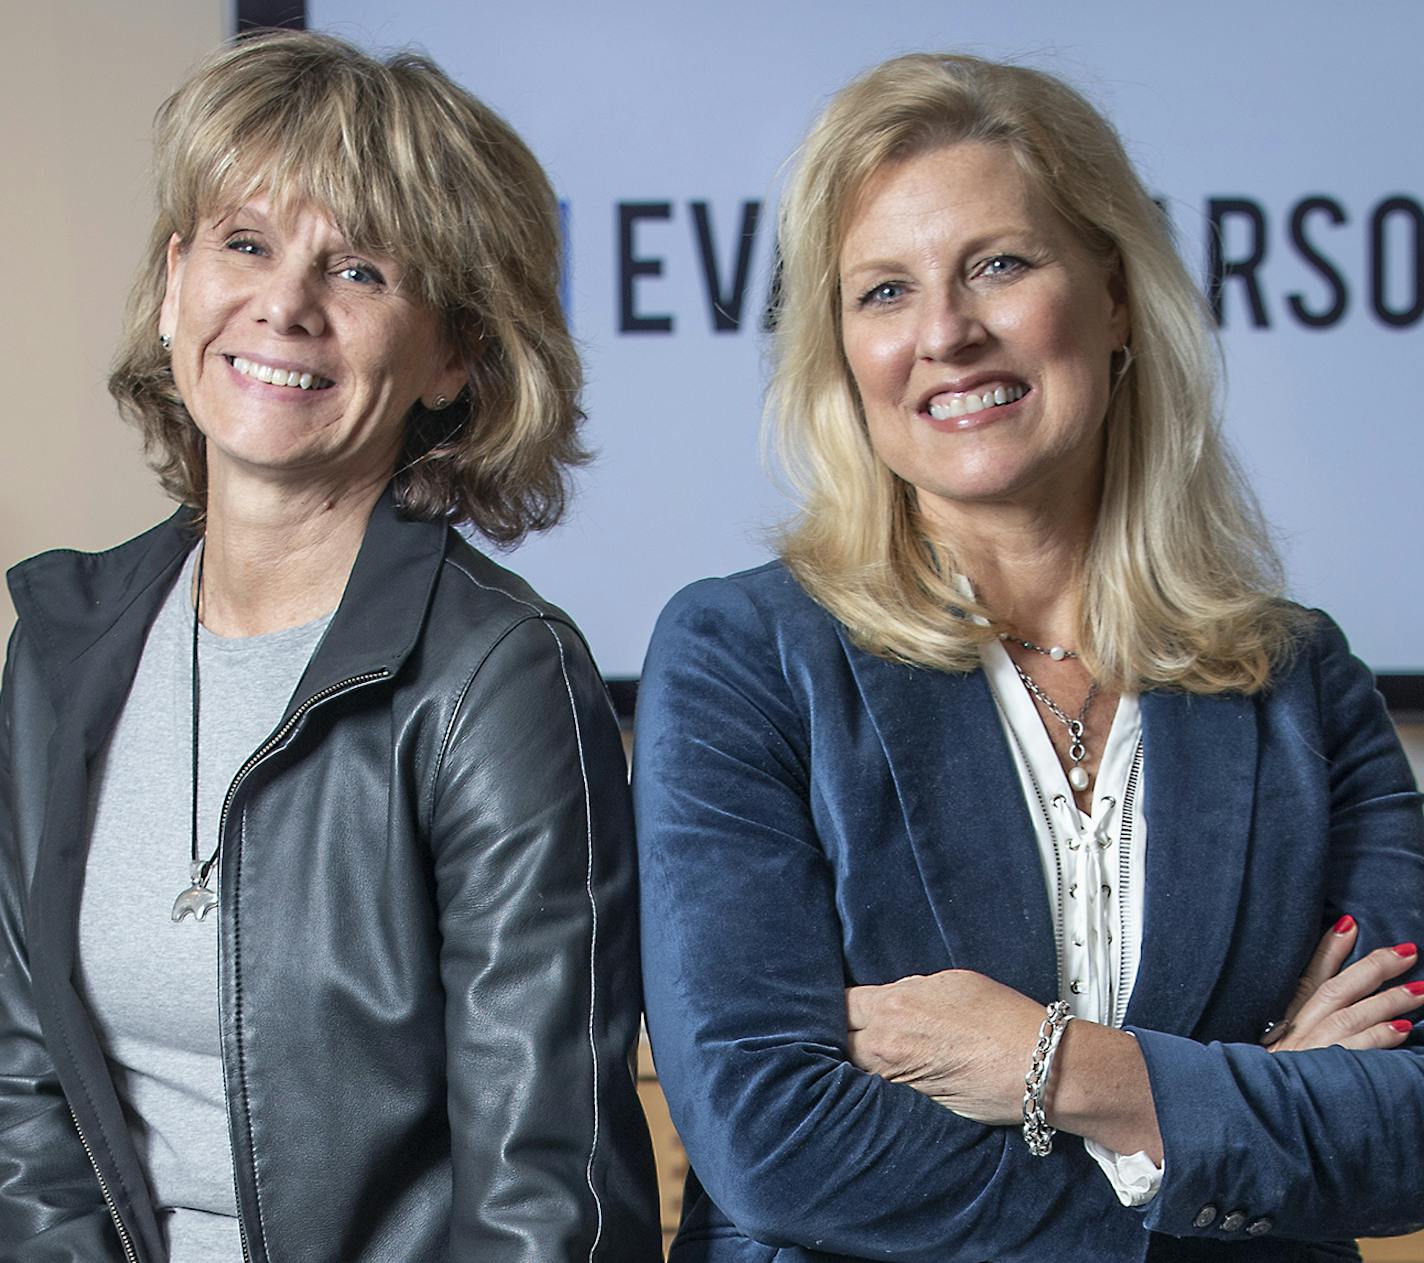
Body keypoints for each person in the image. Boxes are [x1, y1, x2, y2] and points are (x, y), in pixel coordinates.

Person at [634, 52, 1424, 1261]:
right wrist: (1226, 1110)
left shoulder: (1299, 679)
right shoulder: (743, 656)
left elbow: (1407, 1131)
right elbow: (770, 1142)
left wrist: (1053, 1067)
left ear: (1113, 297)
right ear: (839, 352)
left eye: (997, 265)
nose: (944, 333)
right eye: (882, 292)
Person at [0, 30, 661, 1263]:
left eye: (358, 271)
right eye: (244, 244)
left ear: (452, 353)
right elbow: (23, 1101)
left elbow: (546, 1198)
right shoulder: (62, 647)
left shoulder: (497, 680)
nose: (284, 306)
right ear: (173, 281)